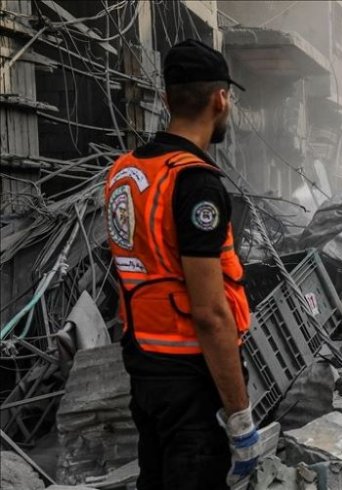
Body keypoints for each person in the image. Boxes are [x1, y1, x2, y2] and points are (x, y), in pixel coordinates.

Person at [104, 39, 262, 490]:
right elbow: (211, 315)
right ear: (220, 99)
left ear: (169, 98)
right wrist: (239, 418)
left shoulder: (125, 172)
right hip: (191, 377)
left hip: (145, 367)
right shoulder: (194, 182)